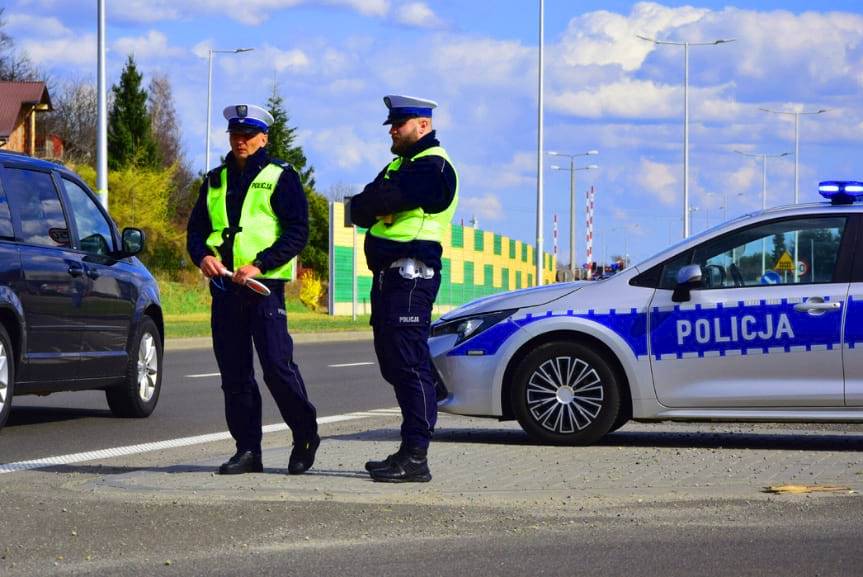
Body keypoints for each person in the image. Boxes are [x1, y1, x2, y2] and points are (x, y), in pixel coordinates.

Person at [186, 104, 319, 475]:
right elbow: (196, 231)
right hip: (225, 288)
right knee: (235, 374)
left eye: (247, 135)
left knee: (277, 367)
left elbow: (297, 231)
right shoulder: (214, 179)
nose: (240, 141)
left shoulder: (282, 176)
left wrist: (260, 263)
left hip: (263, 287)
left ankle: (305, 434)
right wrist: (203, 258)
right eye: (235, 135)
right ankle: (248, 450)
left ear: (263, 138)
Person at [347, 95, 458, 482]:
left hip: (412, 276)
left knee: (408, 362)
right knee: (394, 361)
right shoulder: (399, 165)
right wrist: (380, 204)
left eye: (399, 124)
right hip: (389, 278)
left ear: (423, 126)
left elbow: (385, 198)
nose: (392, 130)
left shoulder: (434, 166)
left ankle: (416, 455)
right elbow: (359, 208)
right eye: (392, 125)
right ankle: (409, 444)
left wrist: (382, 203)